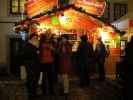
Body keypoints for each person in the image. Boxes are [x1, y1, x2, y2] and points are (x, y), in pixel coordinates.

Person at [22, 33, 40, 100]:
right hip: (30, 66)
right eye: (34, 38)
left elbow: (37, 56)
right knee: (30, 81)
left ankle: (34, 93)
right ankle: (30, 94)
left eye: (36, 38)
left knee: (35, 80)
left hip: (36, 66)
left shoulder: (36, 46)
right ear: (31, 38)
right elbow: (26, 57)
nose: (35, 39)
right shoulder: (28, 46)